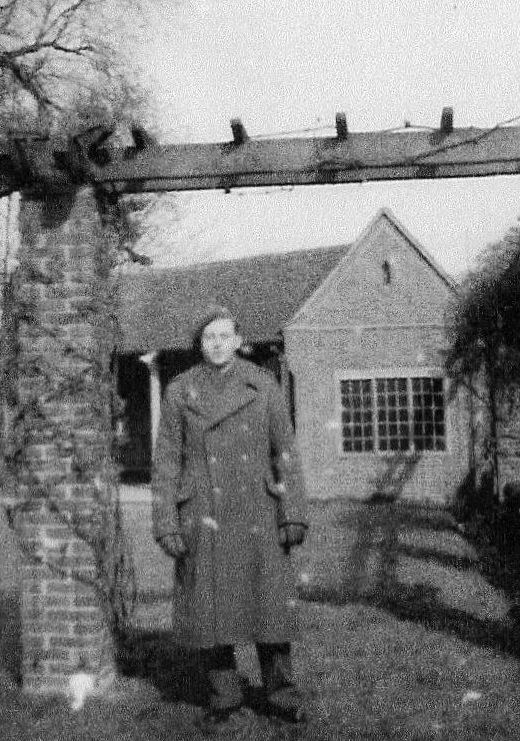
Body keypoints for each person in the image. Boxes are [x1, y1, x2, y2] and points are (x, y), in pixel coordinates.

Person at [152, 305, 309, 730]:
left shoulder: (263, 384)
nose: (217, 344)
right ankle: (224, 697)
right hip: (203, 512)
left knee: (270, 608)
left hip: (259, 510)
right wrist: (165, 521)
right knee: (210, 610)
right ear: (199, 344)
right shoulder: (180, 391)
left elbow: (286, 451)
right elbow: (166, 460)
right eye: (209, 337)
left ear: (239, 340)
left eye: (225, 336)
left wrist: (293, 513)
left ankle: (281, 695)